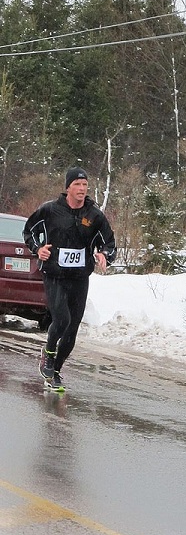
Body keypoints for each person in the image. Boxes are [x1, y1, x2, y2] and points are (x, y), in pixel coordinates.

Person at [23, 167, 116, 390]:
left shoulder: (94, 215)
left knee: (72, 329)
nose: (82, 189)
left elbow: (109, 242)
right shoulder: (49, 210)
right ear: (68, 187)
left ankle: (55, 371)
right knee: (62, 319)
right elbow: (29, 232)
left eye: (85, 185)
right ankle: (48, 352)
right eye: (77, 184)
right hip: (54, 273)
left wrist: (104, 255)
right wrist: (38, 249)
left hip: (79, 277)